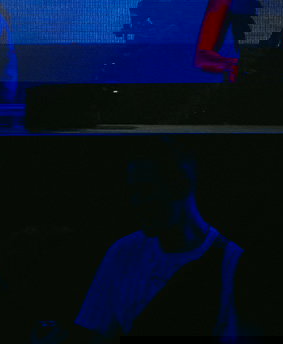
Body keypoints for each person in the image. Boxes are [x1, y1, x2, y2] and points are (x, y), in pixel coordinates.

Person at [68, 139, 242, 340]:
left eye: (146, 190)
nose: (136, 202)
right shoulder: (122, 252)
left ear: (183, 185)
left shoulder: (231, 264)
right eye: (133, 192)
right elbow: (96, 334)